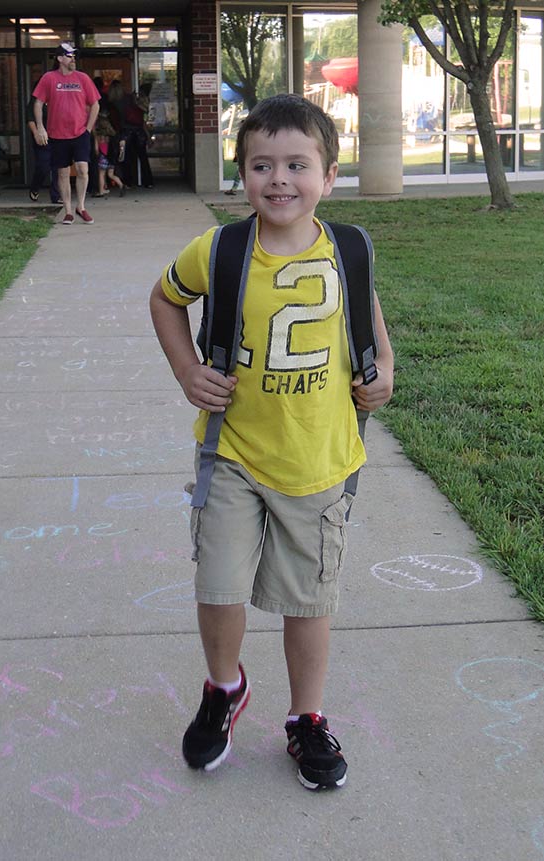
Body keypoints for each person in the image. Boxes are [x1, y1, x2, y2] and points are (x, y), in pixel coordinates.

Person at [149, 93, 394, 791]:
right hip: (231, 453)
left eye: (296, 164)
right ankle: (223, 688)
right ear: (242, 175)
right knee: (218, 583)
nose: (279, 179)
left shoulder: (349, 247)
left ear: (329, 174)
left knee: (307, 602)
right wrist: (188, 370)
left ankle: (306, 718)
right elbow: (165, 299)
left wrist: (384, 366)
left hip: (318, 461)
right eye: (262, 165)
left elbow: (368, 309)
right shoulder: (222, 249)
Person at [32, 43, 100, 225]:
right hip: (57, 134)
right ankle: (68, 211)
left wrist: (87, 128)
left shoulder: (83, 78)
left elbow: (95, 104)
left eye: (74, 56)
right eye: (70, 56)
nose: (73, 59)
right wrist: (40, 127)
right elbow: (38, 103)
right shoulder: (49, 78)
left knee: (82, 170)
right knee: (61, 173)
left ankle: (82, 206)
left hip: (80, 133)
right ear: (60, 58)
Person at [26, 91, 61, 204]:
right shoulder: (36, 99)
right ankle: (35, 187)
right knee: (43, 165)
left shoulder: (58, 97)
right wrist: (36, 133)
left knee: (58, 166)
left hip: (58, 136)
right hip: (42, 137)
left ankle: (56, 196)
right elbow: (30, 119)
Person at [93, 109, 125, 197]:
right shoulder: (112, 134)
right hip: (111, 156)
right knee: (111, 174)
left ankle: (101, 190)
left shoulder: (98, 134)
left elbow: (96, 148)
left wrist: (97, 153)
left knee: (101, 173)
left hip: (103, 155)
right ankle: (121, 184)